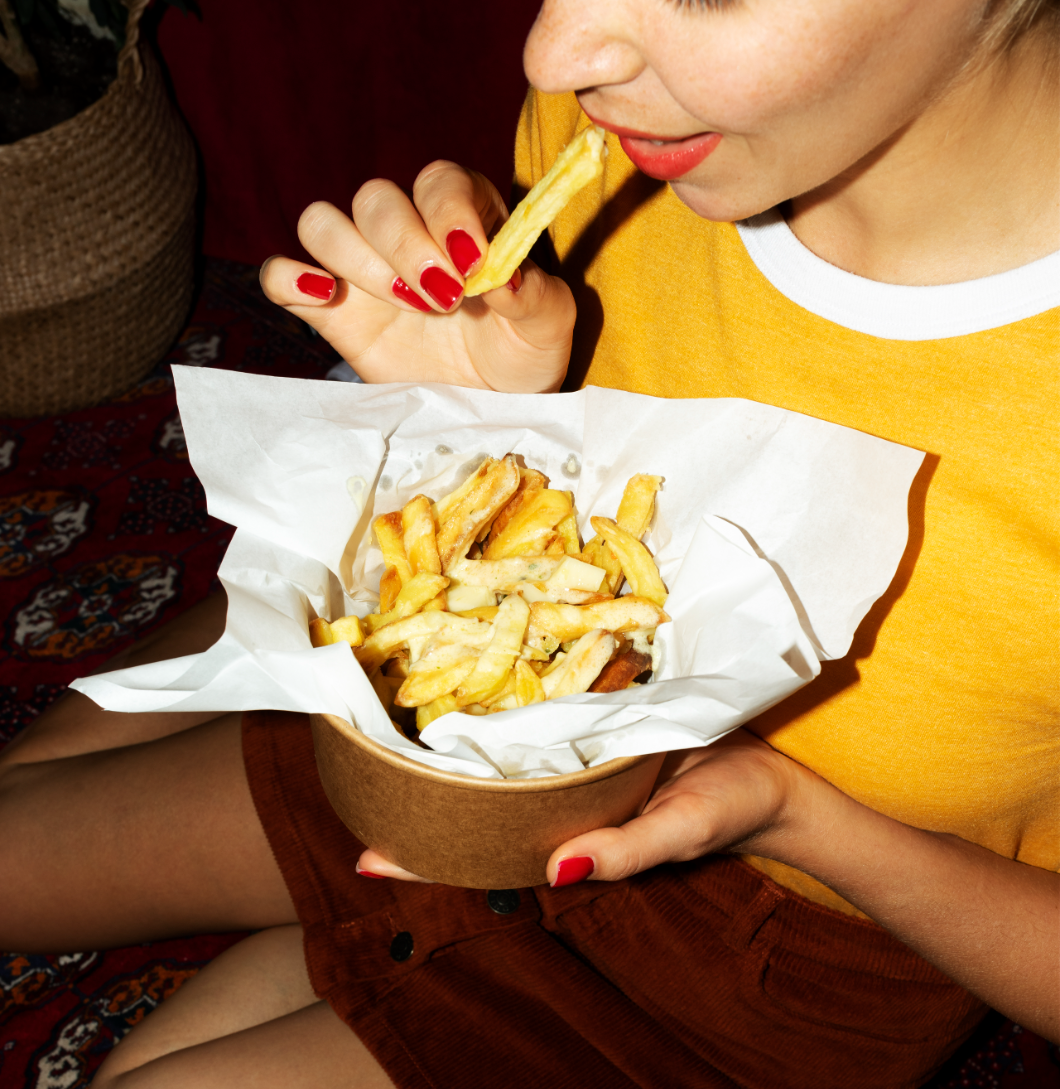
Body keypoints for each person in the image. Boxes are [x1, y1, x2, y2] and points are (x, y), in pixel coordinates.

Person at [1, 0, 1057, 1085]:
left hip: (766, 975)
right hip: (443, 755)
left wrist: (791, 815)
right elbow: (567, 514)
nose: (555, 52)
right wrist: (484, 427)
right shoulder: (626, 132)